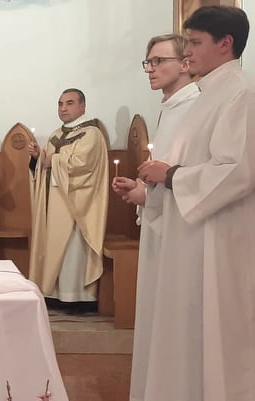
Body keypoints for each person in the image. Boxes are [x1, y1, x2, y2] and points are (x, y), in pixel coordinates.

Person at [134, 6, 254, 400]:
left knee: (213, 331)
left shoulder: (241, 94)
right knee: (185, 330)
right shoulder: (205, 95)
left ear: (225, 43)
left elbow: (237, 170)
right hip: (189, 231)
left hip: (217, 236)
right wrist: (158, 182)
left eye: (196, 43)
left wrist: (171, 176)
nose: (188, 52)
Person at [110, 34, 200, 401]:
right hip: (161, 226)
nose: (150, 69)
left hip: (184, 236)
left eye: (159, 61)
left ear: (185, 63)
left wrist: (157, 186)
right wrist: (141, 191)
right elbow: (165, 176)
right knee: (156, 319)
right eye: (148, 62)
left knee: (176, 323)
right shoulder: (171, 108)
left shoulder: (196, 107)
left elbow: (197, 175)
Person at [27, 88, 108, 307]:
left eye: (70, 103)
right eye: (60, 104)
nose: (63, 108)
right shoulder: (56, 134)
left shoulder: (92, 134)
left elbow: (83, 165)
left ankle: (75, 296)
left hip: (75, 204)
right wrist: (37, 157)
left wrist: (52, 161)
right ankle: (52, 292)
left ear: (82, 107)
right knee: (52, 245)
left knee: (72, 248)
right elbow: (45, 164)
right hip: (52, 202)